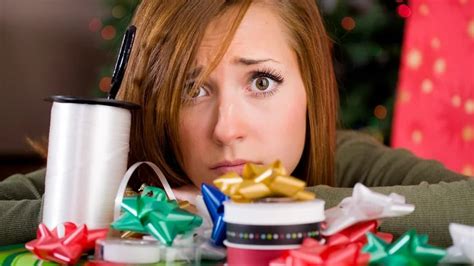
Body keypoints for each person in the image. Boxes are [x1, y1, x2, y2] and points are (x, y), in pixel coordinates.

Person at [1, 0, 473, 247]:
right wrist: (127, 210)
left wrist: (289, 208)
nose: (227, 129)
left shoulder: (343, 157)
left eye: (262, 81)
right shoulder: (134, 171)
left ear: (311, 87)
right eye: (193, 89)